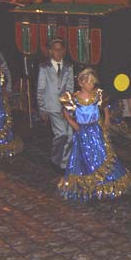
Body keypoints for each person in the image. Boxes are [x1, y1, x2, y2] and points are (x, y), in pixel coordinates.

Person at [58, 68, 131, 201]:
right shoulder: (73, 98)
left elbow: (105, 107)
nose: (92, 85)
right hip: (82, 132)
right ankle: (89, 184)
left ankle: (104, 182)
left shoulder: (97, 95)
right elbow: (66, 112)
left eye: (93, 82)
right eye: (89, 82)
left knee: (101, 154)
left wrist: (107, 118)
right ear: (81, 83)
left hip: (96, 131)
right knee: (84, 156)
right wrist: (72, 122)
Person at [36, 37, 74, 172]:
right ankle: (56, 159)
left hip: (65, 107)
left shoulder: (69, 67)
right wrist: (42, 109)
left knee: (70, 135)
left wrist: (70, 106)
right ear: (50, 51)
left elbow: (70, 88)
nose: (58, 53)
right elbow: (40, 89)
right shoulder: (44, 67)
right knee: (61, 133)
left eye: (61, 50)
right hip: (51, 106)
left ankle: (64, 162)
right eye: (55, 50)